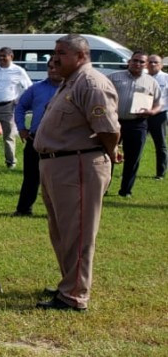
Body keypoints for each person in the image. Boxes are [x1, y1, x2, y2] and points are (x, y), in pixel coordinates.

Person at [33, 35, 120, 311]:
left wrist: (105, 159)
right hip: (57, 165)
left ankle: (74, 295)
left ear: (81, 56)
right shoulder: (69, 83)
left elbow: (108, 130)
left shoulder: (91, 83)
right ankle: (68, 283)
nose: (55, 58)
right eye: (55, 52)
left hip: (78, 164)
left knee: (78, 231)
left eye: (62, 53)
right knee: (61, 231)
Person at [108, 51, 162, 197]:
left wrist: (152, 112)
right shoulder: (114, 77)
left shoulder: (151, 82)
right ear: (129, 61)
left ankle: (125, 191)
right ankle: (103, 187)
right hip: (114, 122)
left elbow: (159, 103)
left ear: (145, 64)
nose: (137, 64)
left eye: (141, 62)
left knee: (133, 158)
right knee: (107, 156)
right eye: (135, 60)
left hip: (137, 123)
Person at [13, 58, 62, 217]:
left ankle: (56, 212)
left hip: (60, 143)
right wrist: (21, 128)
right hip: (35, 140)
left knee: (57, 180)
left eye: (56, 67)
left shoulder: (71, 89)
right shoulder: (36, 88)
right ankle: (23, 209)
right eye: (50, 67)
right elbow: (20, 107)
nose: (53, 70)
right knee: (31, 177)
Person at [147, 55, 168, 180]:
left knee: (160, 145)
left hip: (159, 115)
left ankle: (160, 173)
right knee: (136, 145)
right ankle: (130, 171)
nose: (153, 64)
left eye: (156, 62)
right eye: (150, 62)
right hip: (141, 115)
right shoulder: (141, 77)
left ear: (161, 65)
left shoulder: (166, 78)